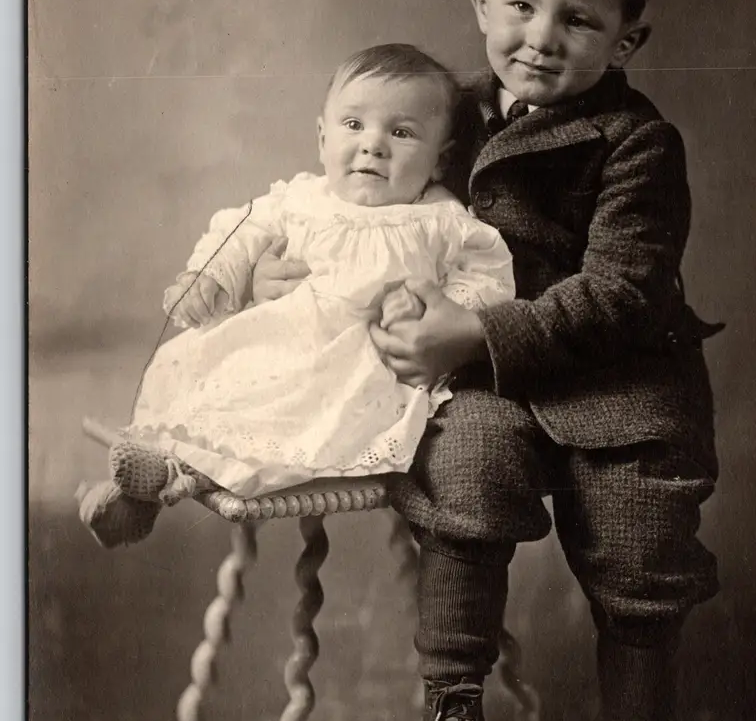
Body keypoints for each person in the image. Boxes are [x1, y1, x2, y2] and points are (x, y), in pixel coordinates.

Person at [362, 0, 722, 721]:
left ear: (627, 41)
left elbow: (616, 295)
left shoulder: (640, 143)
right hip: (492, 386)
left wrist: (468, 334)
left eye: (579, 22)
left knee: (645, 558)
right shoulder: (446, 115)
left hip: (620, 381)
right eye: (521, 6)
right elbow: (368, 207)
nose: (541, 38)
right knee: (465, 475)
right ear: (480, 1)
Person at [81, 44, 513, 545]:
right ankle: (145, 488)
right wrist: (209, 276)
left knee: (288, 421)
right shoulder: (302, 197)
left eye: (401, 132)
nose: (373, 145)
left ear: (440, 161)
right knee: (213, 388)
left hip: (356, 370)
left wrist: (438, 313)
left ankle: (172, 479)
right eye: (354, 125)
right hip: (277, 345)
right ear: (322, 138)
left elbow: (489, 277)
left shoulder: (441, 222)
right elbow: (241, 231)